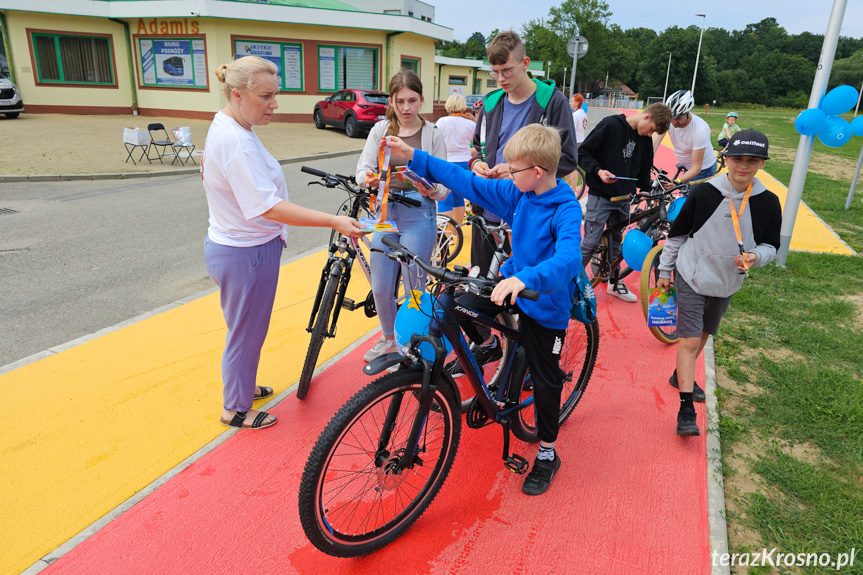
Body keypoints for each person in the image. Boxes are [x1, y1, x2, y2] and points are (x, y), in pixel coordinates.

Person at [385, 123, 582, 496]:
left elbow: (569, 258)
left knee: (546, 380)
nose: (506, 172)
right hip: (511, 285)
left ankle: (546, 453)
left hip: (545, 302)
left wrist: (528, 280)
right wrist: (414, 157)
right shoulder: (519, 193)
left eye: (513, 168)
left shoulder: (565, 209)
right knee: (456, 310)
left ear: (536, 172)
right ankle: (489, 349)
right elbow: (465, 181)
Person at [203, 56, 363, 430]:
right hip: (247, 253)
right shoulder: (237, 142)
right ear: (237, 95)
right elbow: (269, 207)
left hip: (236, 247)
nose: (275, 104)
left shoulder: (231, 125)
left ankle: (241, 384)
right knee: (246, 332)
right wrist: (334, 220)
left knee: (245, 328)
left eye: (276, 94)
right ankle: (235, 408)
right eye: (266, 96)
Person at [451, 30, 577, 375]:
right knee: (479, 292)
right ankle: (489, 345)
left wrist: (519, 171)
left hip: (531, 214)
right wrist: (476, 164)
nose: (501, 78)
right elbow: (476, 149)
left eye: (507, 70)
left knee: (530, 293)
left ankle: (531, 361)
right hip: (490, 212)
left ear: (525, 64)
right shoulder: (491, 104)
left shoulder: (554, 101)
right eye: (495, 72)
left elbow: (566, 159)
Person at [656, 130, 782, 436]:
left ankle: (679, 376)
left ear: (762, 164)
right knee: (687, 340)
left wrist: (754, 257)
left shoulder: (768, 202)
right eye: (737, 158)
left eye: (752, 161)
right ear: (725, 159)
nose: (743, 166)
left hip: (727, 282)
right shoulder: (703, 193)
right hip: (691, 275)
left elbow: (770, 245)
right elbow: (677, 236)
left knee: (701, 336)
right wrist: (663, 272)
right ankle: (686, 410)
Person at [355, 70, 448, 363]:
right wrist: (367, 179)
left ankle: (413, 345)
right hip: (384, 214)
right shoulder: (380, 131)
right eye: (399, 101)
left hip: (419, 213)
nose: (406, 108)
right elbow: (362, 170)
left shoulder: (432, 134)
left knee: (414, 289)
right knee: (381, 287)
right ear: (392, 102)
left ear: (421, 100)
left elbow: (445, 186)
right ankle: (389, 339)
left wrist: (431, 188)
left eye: (411, 100)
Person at [578, 103, 672, 303]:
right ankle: (571, 283)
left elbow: (644, 169)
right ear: (647, 117)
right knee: (590, 243)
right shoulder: (611, 125)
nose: (649, 135)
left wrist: (645, 191)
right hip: (601, 196)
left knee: (616, 241)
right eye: (652, 130)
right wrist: (598, 171)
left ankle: (614, 282)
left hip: (624, 198)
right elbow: (584, 153)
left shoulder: (645, 140)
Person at [653, 90, 717, 185]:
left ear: (688, 113)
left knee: (690, 198)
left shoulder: (700, 130)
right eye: (671, 118)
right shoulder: (668, 120)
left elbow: (696, 168)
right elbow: (654, 142)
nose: (673, 122)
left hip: (704, 169)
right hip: (688, 165)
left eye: (678, 118)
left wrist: (676, 182)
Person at [434, 93, 476, 224]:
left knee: (444, 199)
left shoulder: (442, 122)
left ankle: (447, 234)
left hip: (446, 162)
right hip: (464, 162)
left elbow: (435, 141)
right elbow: (476, 142)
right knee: (459, 197)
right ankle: (457, 230)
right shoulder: (469, 124)